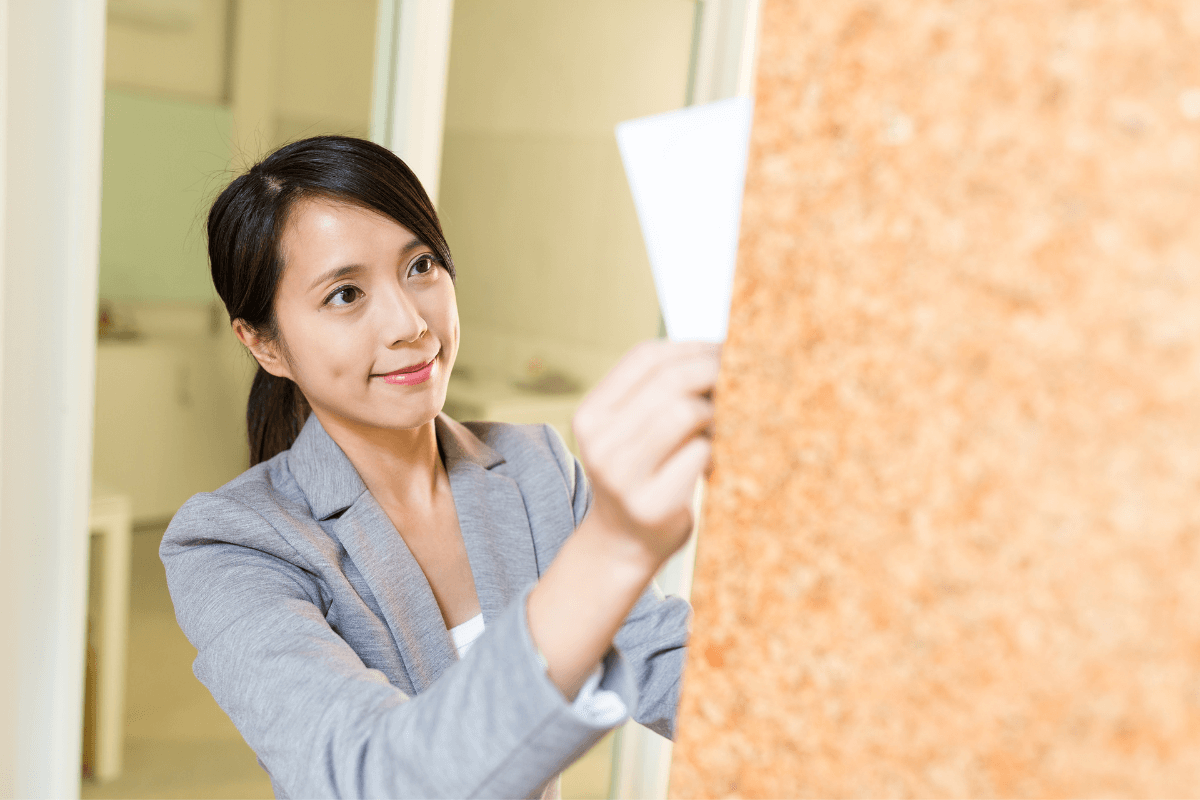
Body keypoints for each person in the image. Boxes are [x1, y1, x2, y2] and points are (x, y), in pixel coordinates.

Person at [160, 135, 720, 799]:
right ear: (264, 343)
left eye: (421, 265)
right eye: (345, 294)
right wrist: (615, 546)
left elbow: (666, 662)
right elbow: (373, 778)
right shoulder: (229, 543)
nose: (408, 324)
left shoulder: (536, 467)